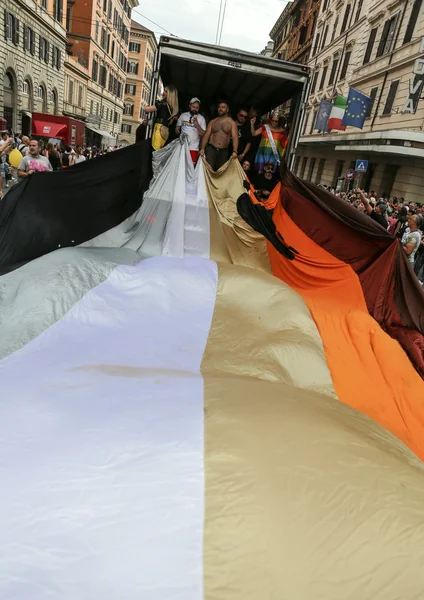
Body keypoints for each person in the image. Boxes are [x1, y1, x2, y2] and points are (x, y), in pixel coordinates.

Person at [200, 101, 238, 171]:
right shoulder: (213, 121)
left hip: (224, 151)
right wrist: (202, 148)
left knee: (220, 171)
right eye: (219, 107)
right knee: (208, 169)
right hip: (211, 149)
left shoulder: (232, 123)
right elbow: (206, 135)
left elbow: (235, 137)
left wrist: (235, 151)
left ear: (227, 110)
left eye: (223, 107)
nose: (220, 109)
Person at [145, 85, 179, 151]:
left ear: (170, 94)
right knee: (159, 152)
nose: (163, 93)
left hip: (159, 128)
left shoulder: (163, 104)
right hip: (166, 130)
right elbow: (171, 122)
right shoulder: (173, 107)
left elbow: (147, 110)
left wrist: (146, 107)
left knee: (155, 152)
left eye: (166, 91)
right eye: (164, 91)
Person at [175, 97, 206, 163]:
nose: (195, 109)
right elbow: (177, 129)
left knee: (191, 168)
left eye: (197, 107)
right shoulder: (183, 115)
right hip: (182, 146)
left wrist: (197, 124)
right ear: (189, 106)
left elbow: (203, 134)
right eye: (193, 107)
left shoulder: (201, 118)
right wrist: (180, 135)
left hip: (194, 148)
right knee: (181, 165)